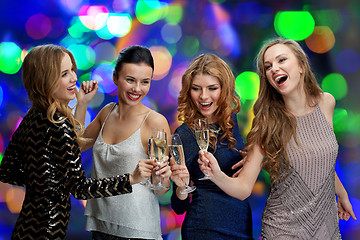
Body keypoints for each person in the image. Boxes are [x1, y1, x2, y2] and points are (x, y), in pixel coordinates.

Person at [198, 38, 357, 239]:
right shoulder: (267, 123)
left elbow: (321, 160)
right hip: (283, 230)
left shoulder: (326, 102)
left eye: (282, 60)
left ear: (301, 66)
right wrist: (216, 174)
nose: (274, 68)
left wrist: (341, 194)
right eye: (268, 66)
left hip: (327, 227)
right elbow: (243, 188)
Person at [0, 44, 151, 240]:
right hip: (48, 229)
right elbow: (80, 189)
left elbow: (8, 171)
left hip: (25, 227)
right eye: (64, 73)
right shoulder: (58, 125)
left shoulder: (32, 117)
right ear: (45, 79)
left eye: (72, 69)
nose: (73, 78)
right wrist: (131, 178)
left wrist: (45, 180)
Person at [75, 45, 171, 240]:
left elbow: (161, 188)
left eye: (145, 82)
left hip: (136, 231)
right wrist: (82, 103)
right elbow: (74, 147)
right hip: (100, 225)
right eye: (130, 80)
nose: (137, 89)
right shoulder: (106, 112)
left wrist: (163, 177)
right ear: (115, 78)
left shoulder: (155, 122)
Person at [170, 54, 253, 239]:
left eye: (212, 88)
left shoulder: (235, 123)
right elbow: (178, 207)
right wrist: (181, 187)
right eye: (196, 89)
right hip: (204, 229)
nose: (204, 96)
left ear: (225, 89)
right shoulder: (184, 134)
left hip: (242, 227)